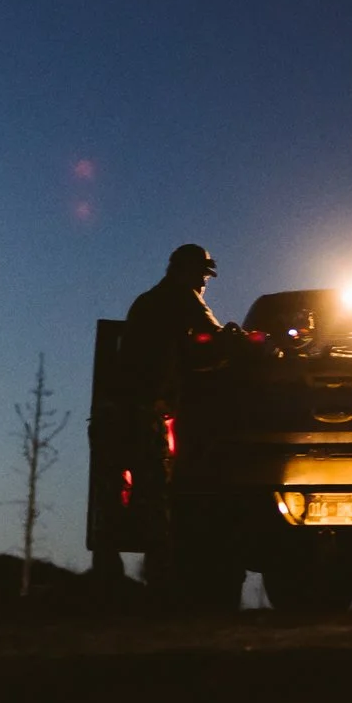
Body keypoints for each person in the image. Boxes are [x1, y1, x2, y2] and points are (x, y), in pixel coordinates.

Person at [119, 244, 221, 574]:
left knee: (122, 499)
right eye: (202, 275)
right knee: (157, 497)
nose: (204, 283)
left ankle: (111, 583)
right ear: (187, 271)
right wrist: (242, 341)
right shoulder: (182, 296)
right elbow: (213, 334)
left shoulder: (145, 301)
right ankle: (162, 585)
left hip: (119, 412)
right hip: (146, 413)